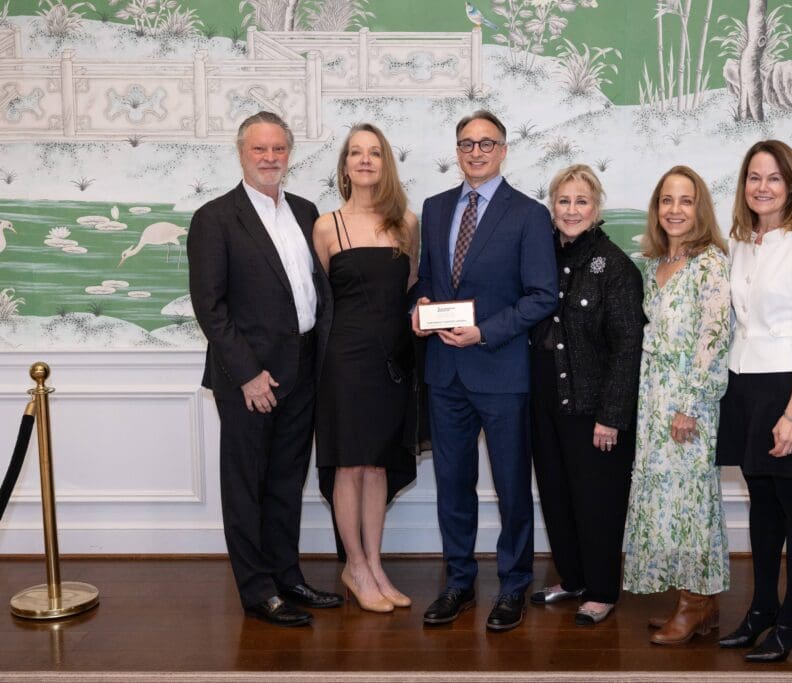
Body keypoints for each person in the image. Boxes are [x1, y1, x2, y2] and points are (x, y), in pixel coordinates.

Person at [187, 111, 341, 627]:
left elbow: (318, 291)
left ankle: (286, 576)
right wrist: (248, 374)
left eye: (278, 149)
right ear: (241, 153)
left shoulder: (305, 210)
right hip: (249, 378)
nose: (270, 158)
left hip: (301, 372)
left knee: (286, 481)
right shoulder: (215, 218)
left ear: (289, 155)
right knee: (247, 484)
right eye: (260, 149)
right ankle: (256, 590)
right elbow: (211, 307)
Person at [412, 110, 558, 632]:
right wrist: (419, 308)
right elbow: (426, 279)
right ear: (457, 150)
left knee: (513, 488)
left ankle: (515, 585)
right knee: (453, 485)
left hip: (501, 372)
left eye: (487, 143)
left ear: (503, 150)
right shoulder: (433, 209)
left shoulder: (529, 214)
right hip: (445, 373)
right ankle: (458, 583)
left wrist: (486, 331)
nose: (476, 152)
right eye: (467, 143)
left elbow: (543, 296)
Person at [715, 139, 792, 663]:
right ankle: (763, 608)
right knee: (760, 506)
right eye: (753, 177)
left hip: (786, 387)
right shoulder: (743, 242)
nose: (762, 187)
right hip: (744, 384)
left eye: (773, 178)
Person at [528, 164, 644, 626]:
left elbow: (627, 347)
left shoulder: (614, 266)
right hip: (545, 405)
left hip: (594, 410)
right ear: (552, 207)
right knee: (557, 495)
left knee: (597, 501)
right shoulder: (542, 257)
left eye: (581, 201)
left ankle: (600, 589)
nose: (571, 210)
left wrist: (611, 415)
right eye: (563, 201)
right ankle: (572, 578)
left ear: (596, 209)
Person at [312, 123, 419, 613]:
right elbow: (321, 301)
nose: (365, 160)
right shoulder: (325, 226)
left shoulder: (406, 224)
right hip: (344, 361)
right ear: (345, 164)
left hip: (392, 362)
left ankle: (375, 565)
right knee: (349, 463)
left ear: (385, 162)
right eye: (356, 152)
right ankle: (353, 566)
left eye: (375, 152)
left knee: (376, 465)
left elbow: (411, 288)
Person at [622, 165, 731, 646]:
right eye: (667, 200)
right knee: (662, 501)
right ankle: (700, 603)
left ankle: (694, 602)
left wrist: (691, 404)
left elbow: (715, 337)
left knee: (690, 500)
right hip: (652, 398)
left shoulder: (711, 264)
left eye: (686, 201)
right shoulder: (649, 265)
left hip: (690, 401)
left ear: (700, 208)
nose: (675, 210)